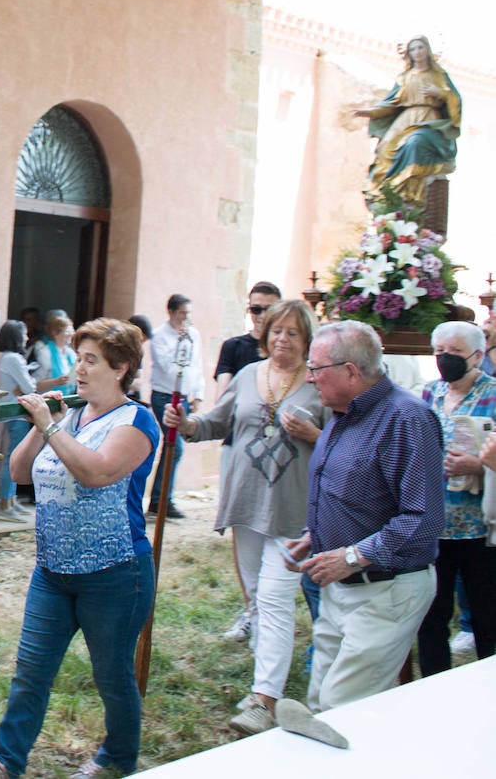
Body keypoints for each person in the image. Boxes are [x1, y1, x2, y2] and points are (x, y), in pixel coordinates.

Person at [0, 319, 159, 779]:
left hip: (115, 573)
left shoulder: (138, 420)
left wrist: (51, 428)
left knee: (111, 676)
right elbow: (19, 472)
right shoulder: (69, 414)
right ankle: (5, 762)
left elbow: (97, 472)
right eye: (78, 358)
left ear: (122, 367)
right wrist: (40, 426)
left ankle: (117, 758)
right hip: (52, 571)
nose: (80, 369)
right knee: (30, 672)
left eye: (91, 360)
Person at [167, 300, 325, 735]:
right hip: (247, 501)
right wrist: (186, 424)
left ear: (307, 339)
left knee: (275, 599)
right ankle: (266, 673)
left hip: (294, 510)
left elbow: (344, 443)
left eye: (293, 333)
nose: (282, 339)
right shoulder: (247, 376)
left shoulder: (318, 383)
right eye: (276, 331)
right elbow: (218, 422)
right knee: (257, 599)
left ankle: (264, 700)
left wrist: (315, 434)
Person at [284, 320, 443, 711]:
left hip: (387, 591)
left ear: (350, 372)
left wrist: (353, 556)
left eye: (316, 368)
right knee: (321, 700)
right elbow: (352, 493)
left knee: (345, 709)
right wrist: (314, 534)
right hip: (341, 585)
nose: (308, 378)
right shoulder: (342, 413)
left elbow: (423, 518)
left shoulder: (407, 419)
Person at [415, 321, 496, 675]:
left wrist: (479, 466)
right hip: (435, 523)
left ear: (477, 356)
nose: (445, 359)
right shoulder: (429, 393)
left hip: (480, 527)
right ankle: (434, 682)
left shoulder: (493, 393)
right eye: (439, 352)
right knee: (432, 613)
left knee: (486, 612)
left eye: (454, 353)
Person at [212, 281, 281, 643]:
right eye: (255, 309)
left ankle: (270, 608)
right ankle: (251, 609)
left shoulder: (291, 352)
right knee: (243, 523)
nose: (261, 316)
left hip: (281, 453)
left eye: (268, 309)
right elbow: (225, 397)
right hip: (239, 444)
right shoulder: (235, 348)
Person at [355, 35, 462, 207]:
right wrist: (369, 112)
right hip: (406, 119)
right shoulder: (404, 77)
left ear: (427, 50)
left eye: (420, 47)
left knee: (415, 142)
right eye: (413, 49)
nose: (417, 52)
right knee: (385, 149)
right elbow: (391, 104)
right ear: (409, 54)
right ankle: (385, 197)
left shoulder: (439, 75)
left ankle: (411, 195)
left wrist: (440, 93)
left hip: (429, 120)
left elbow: (455, 98)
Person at [146, 295, 204, 519]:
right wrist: (180, 343)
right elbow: (169, 368)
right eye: (182, 313)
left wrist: (198, 393)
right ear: (171, 312)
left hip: (184, 397)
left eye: (189, 314)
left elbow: (196, 364)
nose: (186, 318)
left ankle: (162, 499)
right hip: (164, 395)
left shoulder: (194, 334)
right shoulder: (160, 336)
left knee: (175, 447)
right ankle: (161, 500)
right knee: (174, 446)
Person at [0, 319, 37, 521]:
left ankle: (10, 500)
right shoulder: (14, 359)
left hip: (11, 410)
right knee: (13, 458)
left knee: (11, 455)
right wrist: (28, 383)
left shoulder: (6, 357)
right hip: (17, 412)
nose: (27, 337)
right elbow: (29, 388)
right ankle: (5, 502)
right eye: (24, 333)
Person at [32, 313, 77, 396]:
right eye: (67, 331)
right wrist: (56, 382)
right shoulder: (45, 352)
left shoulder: (71, 353)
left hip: (68, 400)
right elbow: (35, 385)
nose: (71, 334)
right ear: (55, 333)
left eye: (72, 331)